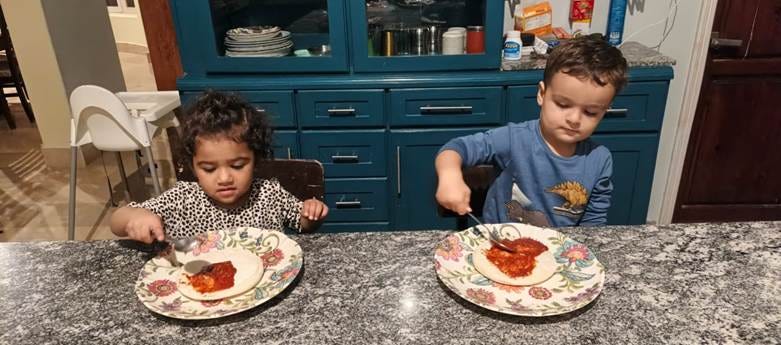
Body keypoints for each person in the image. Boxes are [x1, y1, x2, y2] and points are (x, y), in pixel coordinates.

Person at [435, 35, 627, 227]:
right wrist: (450, 175)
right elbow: (455, 148)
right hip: (503, 242)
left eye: (590, 112)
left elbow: (593, 226)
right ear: (542, 94)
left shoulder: (600, 159)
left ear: (605, 110)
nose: (574, 119)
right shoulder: (514, 139)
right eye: (562, 104)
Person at [110, 91, 329, 243]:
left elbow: (302, 224)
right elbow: (116, 221)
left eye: (237, 165)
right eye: (208, 169)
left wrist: (310, 213)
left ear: (256, 160)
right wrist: (134, 217)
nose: (224, 178)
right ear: (193, 167)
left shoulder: (269, 194)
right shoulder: (182, 198)